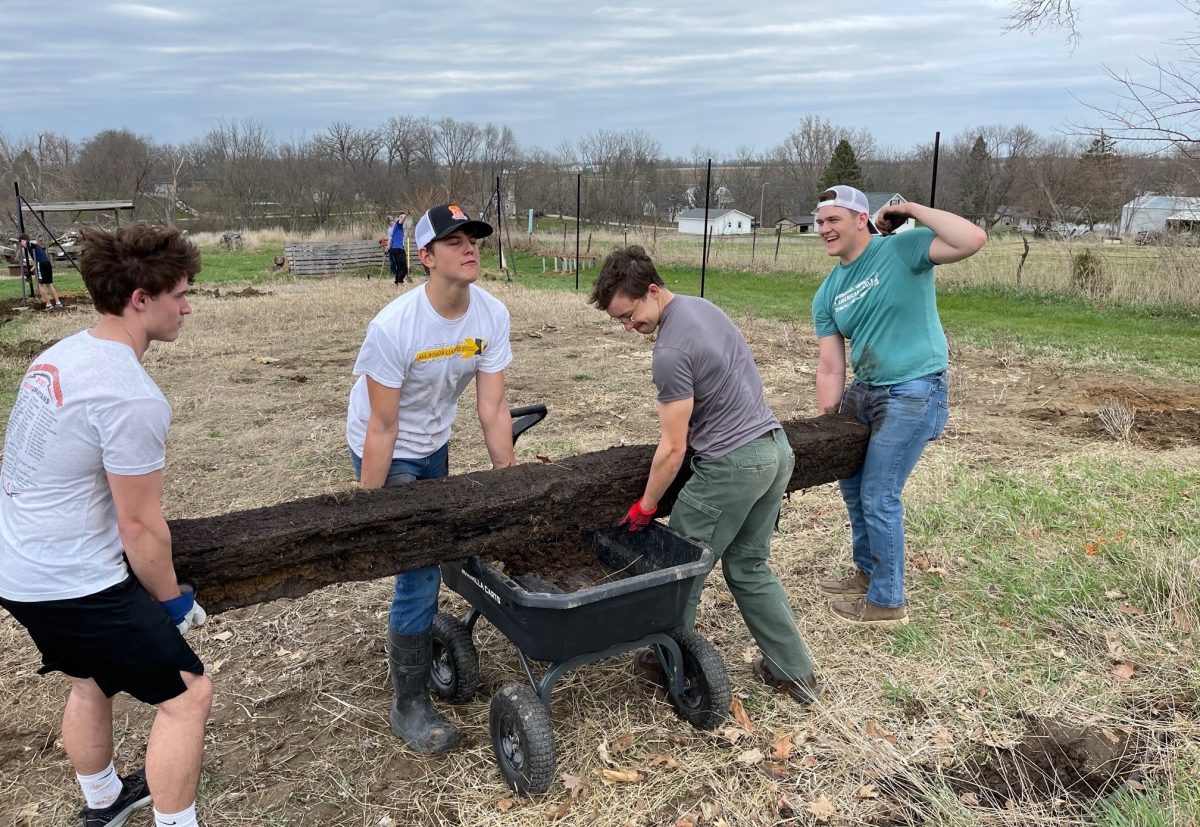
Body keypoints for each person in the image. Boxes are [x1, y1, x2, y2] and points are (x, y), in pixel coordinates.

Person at [0, 223, 212, 827]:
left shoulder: (60, 355)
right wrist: (173, 604)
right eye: (179, 293)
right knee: (187, 696)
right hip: (70, 582)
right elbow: (141, 527)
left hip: (16, 567)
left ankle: (104, 801)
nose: (188, 306)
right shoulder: (128, 394)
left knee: (94, 675)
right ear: (139, 299)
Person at [590, 246, 820, 704]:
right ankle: (794, 672)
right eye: (619, 321)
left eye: (630, 316)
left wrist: (646, 506)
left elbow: (673, 449)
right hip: (775, 452)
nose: (628, 328)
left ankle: (666, 663)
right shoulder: (702, 308)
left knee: (678, 570)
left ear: (652, 291)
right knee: (748, 565)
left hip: (732, 466)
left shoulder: (670, 350)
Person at [346, 203, 516, 754]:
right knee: (418, 571)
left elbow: (493, 410)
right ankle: (409, 705)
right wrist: (367, 514)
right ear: (425, 256)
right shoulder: (395, 327)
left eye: (474, 239)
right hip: (387, 447)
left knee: (438, 553)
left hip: (434, 442)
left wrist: (510, 487)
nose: (470, 248)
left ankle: (421, 642)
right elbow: (383, 424)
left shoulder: (490, 316)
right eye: (454, 241)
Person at [812, 185, 987, 626]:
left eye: (833, 219)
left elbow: (972, 240)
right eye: (819, 222)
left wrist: (910, 210)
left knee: (879, 493)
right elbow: (831, 366)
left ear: (860, 219)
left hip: (913, 389)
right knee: (852, 487)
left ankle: (888, 602)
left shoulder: (903, 249)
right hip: (864, 392)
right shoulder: (826, 294)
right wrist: (825, 424)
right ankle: (868, 572)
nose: (824, 229)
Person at [25, 234, 64, 309]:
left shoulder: (29, 245)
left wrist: (29, 242)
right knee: (49, 284)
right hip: (47, 263)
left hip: (41, 263)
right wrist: (30, 271)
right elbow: (37, 261)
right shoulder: (38, 248)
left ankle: (49, 305)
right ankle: (58, 303)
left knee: (40, 284)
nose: (22, 245)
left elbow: (33, 242)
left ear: (23, 241)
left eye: (21, 243)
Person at [387, 212, 409, 284]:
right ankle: (399, 281)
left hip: (394, 249)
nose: (402, 218)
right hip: (399, 249)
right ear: (398, 218)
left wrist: (388, 248)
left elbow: (391, 238)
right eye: (401, 217)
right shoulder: (398, 224)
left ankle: (397, 282)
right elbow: (402, 220)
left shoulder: (395, 227)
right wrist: (406, 215)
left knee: (399, 267)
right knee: (404, 268)